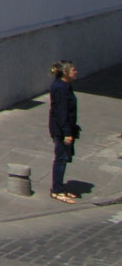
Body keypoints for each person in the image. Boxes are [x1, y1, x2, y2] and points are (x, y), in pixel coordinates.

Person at [49, 60, 82, 202]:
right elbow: (62, 113)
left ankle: (60, 187)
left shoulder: (64, 86)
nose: (76, 72)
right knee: (61, 158)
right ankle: (57, 191)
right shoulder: (61, 88)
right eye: (73, 70)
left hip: (62, 127)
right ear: (65, 72)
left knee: (63, 158)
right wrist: (67, 133)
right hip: (61, 130)